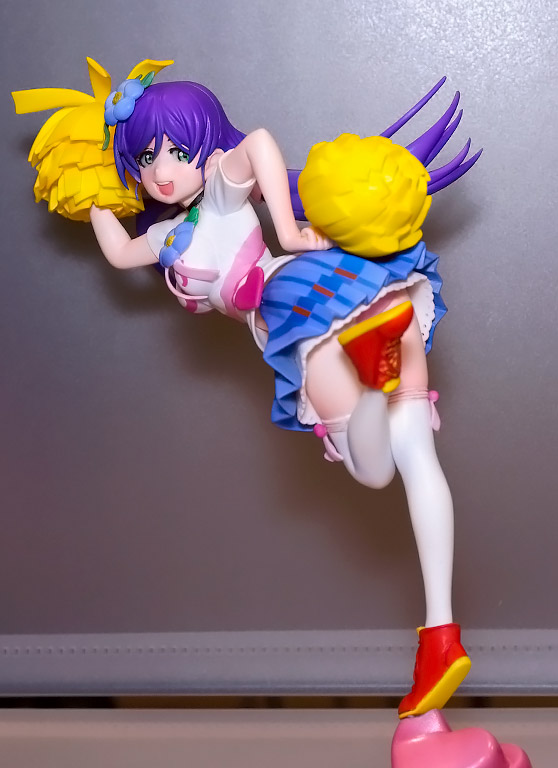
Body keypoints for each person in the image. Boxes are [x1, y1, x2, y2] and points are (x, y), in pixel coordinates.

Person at [13, 60, 482, 718]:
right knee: (416, 454)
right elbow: (119, 255)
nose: (163, 171)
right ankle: (441, 633)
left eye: (177, 150)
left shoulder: (220, 193)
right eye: (147, 158)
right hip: (359, 295)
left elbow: (258, 140)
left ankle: (374, 386)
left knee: (374, 470)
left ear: (204, 145)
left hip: (296, 313)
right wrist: (89, 184)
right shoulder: (166, 233)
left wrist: (286, 231)